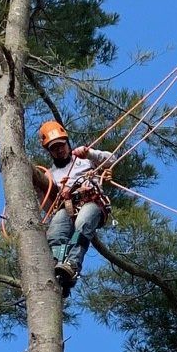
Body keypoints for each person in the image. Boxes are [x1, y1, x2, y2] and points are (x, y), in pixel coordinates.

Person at [31, 120, 113, 294]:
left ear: (67, 143)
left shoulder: (83, 160)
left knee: (82, 225)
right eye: (54, 148)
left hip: (91, 201)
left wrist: (90, 153)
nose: (60, 150)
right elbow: (49, 207)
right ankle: (57, 264)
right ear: (49, 151)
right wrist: (40, 190)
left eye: (62, 145)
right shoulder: (51, 175)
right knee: (55, 232)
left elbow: (111, 159)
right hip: (66, 208)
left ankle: (72, 264)